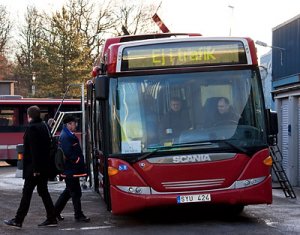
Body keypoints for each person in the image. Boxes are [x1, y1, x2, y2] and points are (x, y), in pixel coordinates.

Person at [4, 105, 57, 228]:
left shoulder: (32, 128)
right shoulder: (44, 126)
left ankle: (18, 220)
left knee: (27, 193)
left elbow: (34, 151)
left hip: (34, 169)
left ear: (29, 116)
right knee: (43, 192)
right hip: (43, 167)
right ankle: (52, 217)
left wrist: (36, 169)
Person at [54, 115, 90, 222]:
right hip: (71, 170)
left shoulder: (67, 134)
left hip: (71, 170)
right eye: (74, 123)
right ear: (69, 124)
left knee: (69, 192)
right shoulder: (67, 136)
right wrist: (78, 160)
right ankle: (78, 215)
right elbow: (69, 153)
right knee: (75, 193)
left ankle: (55, 212)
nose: (76, 125)